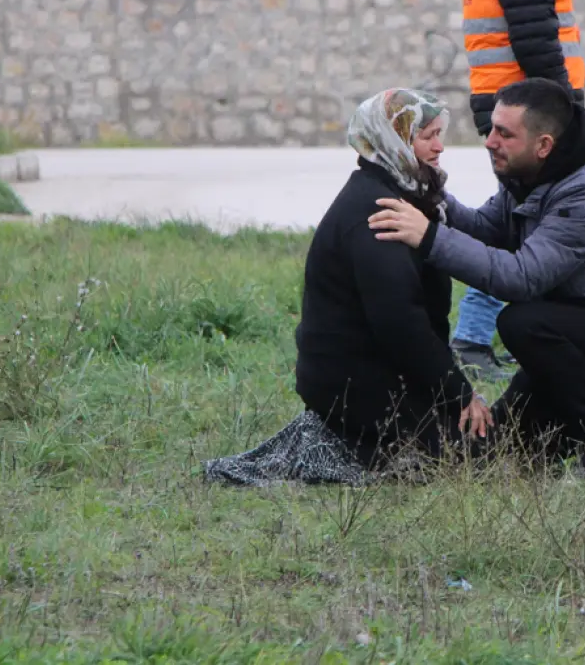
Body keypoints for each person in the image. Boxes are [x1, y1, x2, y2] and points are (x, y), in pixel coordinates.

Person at [369, 78, 585, 480]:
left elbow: (522, 278)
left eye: (505, 133)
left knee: (521, 321)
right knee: (499, 448)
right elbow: (487, 228)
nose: (490, 141)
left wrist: (429, 236)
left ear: (543, 144)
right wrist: (430, 197)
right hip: (581, 335)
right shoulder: (532, 171)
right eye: (491, 129)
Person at [204, 89, 493, 487]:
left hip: (373, 374)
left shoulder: (403, 195)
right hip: (356, 388)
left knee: (478, 438)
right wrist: (459, 394)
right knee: (477, 449)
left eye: (440, 134)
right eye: (428, 135)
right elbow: (401, 326)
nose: (440, 147)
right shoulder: (379, 213)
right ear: (397, 139)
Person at [451, 0, 585, 381]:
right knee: (529, 225)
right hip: (526, 108)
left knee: (523, 221)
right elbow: (534, 36)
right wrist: (563, 113)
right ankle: (474, 337)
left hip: (511, 102)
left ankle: (480, 334)